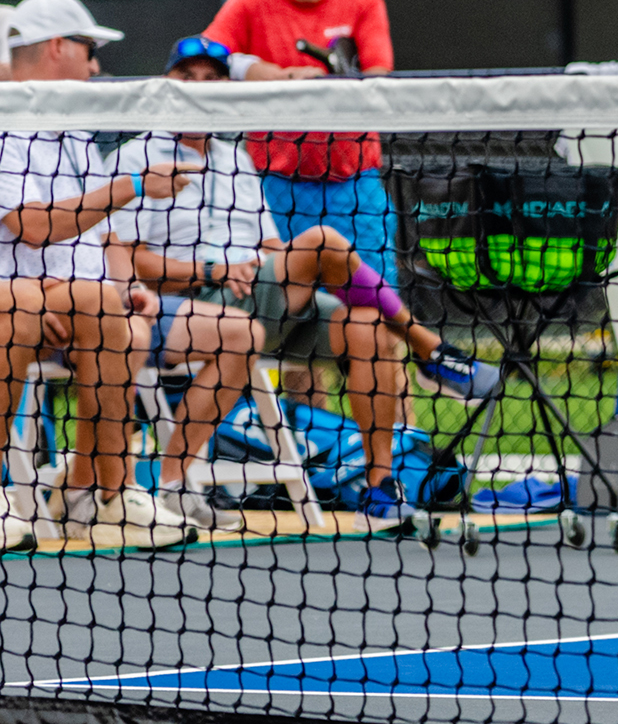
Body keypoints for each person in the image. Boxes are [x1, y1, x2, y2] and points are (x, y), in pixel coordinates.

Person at [126, 37, 499, 525]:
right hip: (197, 307)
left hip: (260, 298)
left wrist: (275, 267)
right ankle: (429, 349)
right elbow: (129, 261)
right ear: (165, 84)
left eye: (212, 79)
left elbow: (269, 244)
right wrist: (214, 270)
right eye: (186, 77)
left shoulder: (234, 157)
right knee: (323, 241)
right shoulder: (135, 157)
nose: (199, 88)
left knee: (366, 326)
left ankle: (379, 487)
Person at [0, 0, 199, 549]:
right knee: (28, 307)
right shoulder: (5, 120)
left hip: (63, 299)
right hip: (15, 299)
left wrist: (124, 285)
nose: (94, 66)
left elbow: (101, 236)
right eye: (88, 50)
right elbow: (33, 226)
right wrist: (132, 185)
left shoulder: (76, 134)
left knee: (121, 317)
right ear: (58, 47)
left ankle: (109, 494)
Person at [201, 0, 399, 282]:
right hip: (274, 185)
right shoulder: (248, 4)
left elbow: (379, 79)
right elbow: (201, 57)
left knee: (376, 298)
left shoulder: (363, 1)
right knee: (280, 299)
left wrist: (329, 86)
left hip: (353, 182)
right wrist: (262, 72)